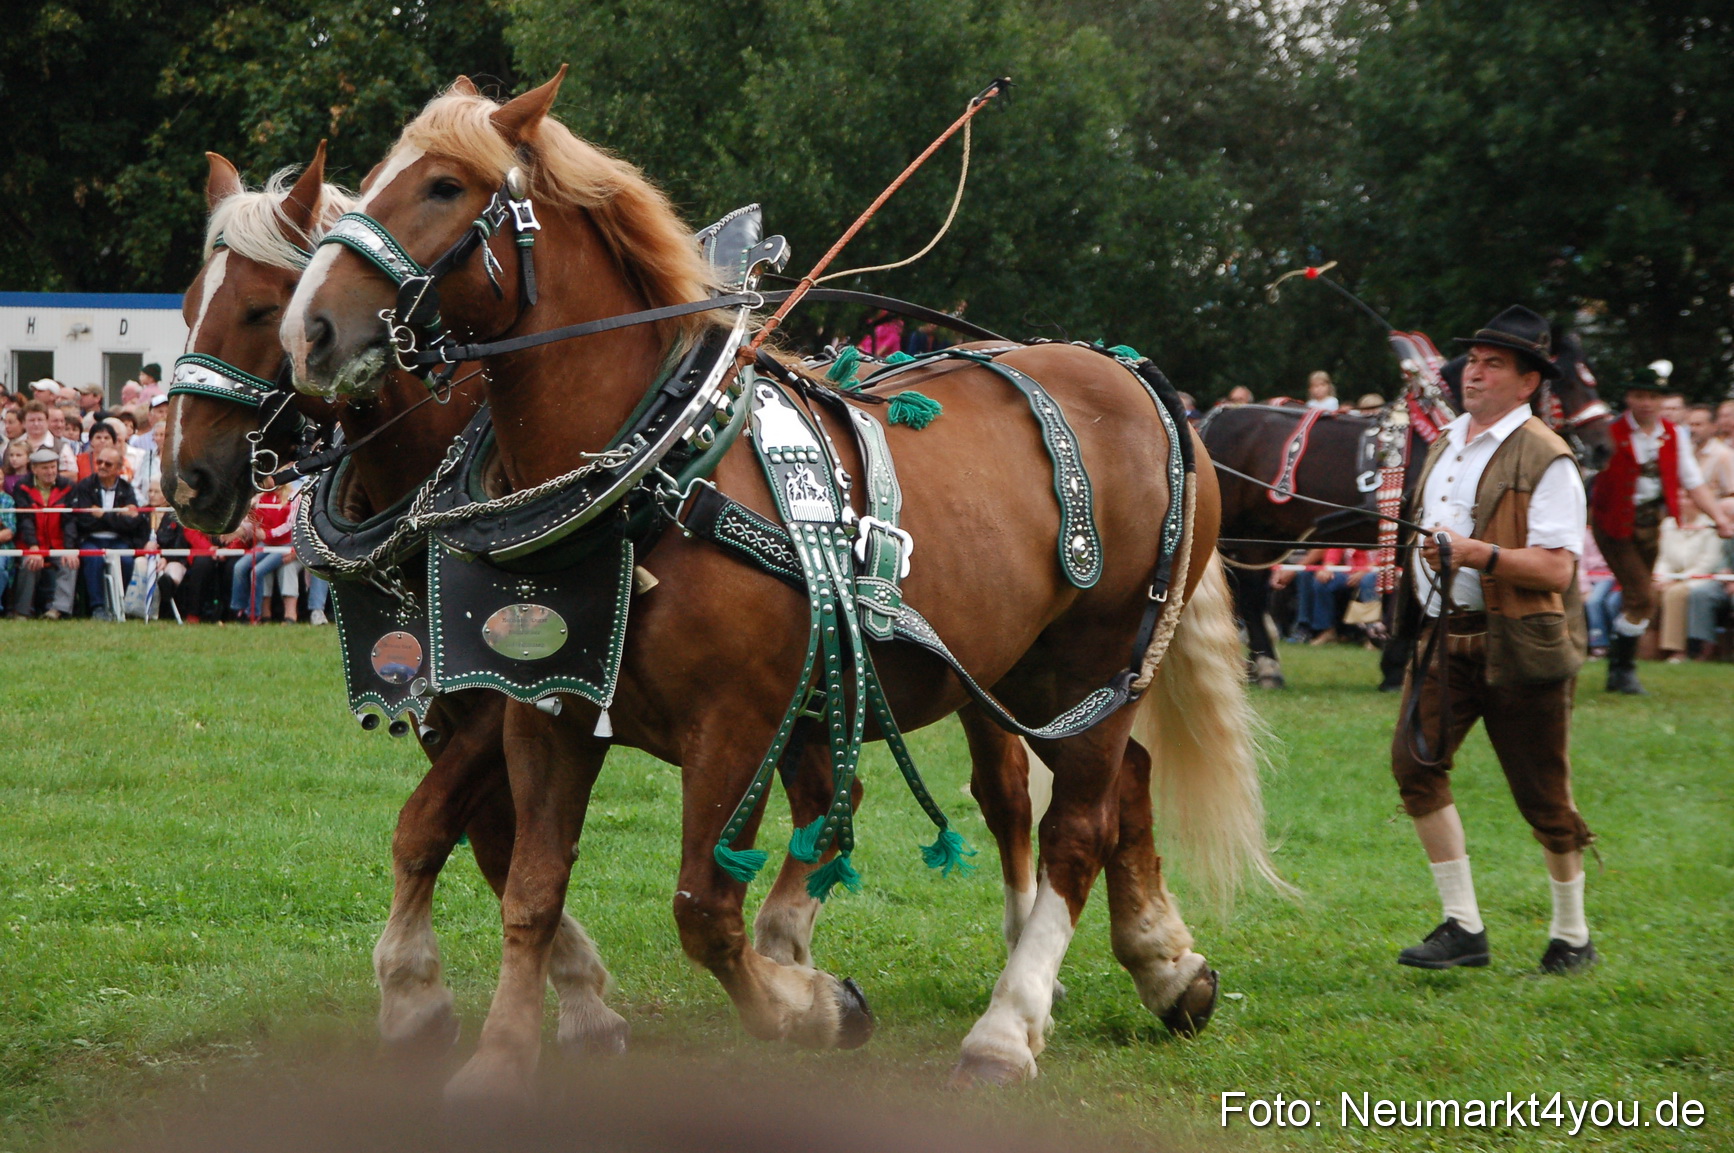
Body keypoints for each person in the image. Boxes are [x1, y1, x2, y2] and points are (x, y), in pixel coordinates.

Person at [1388, 305, 1597, 975]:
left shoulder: (1548, 456)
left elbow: (1558, 568)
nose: (1473, 372)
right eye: (1472, 360)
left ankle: (1572, 934)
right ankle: (1463, 926)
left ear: (1528, 381)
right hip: (1445, 636)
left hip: (1523, 642)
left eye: (1492, 363)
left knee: (1542, 794)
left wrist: (1479, 554)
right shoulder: (1448, 440)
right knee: (1415, 766)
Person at [1588, 368, 1734, 693]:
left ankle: (1617, 667)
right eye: (1639, 395)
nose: (1646, 403)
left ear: (1661, 400)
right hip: (1612, 525)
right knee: (1643, 596)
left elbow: (1692, 480)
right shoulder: (1609, 432)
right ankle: (1622, 669)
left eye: (1653, 396)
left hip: (1651, 524)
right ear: (1628, 398)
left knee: (1635, 599)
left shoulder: (1673, 433)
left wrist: (1720, 520)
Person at [65, 445, 147, 619]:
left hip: (119, 539)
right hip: (91, 539)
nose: (101, 466)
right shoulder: (85, 485)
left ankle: (120, 604)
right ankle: (97, 607)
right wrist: (116, 516)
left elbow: (131, 523)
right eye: (99, 462)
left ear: (119, 468)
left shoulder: (126, 488)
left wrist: (102, 514)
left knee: (125, 559)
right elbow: (84, 521)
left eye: (108, 464)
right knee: (93, 558)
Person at [11, 448, 77, 618]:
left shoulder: (68, 487)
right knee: (29, 564)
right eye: (45, 468)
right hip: (32, 542)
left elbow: (70, 521)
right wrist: (33, 547)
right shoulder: (23, 487)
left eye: (53, 467)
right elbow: (25, 519)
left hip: (58, 543)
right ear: (34, 469)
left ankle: (58, 610)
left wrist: (69, 549)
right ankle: (22, 611)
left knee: (69, 563)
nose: (50, 472)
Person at [13, 401, 76, 477]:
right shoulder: (13, 445)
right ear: (23, 423)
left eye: (40, 420)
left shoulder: (61, 447)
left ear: (47, 421)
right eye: (32, 420)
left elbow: (72, 476)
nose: (36, 424)